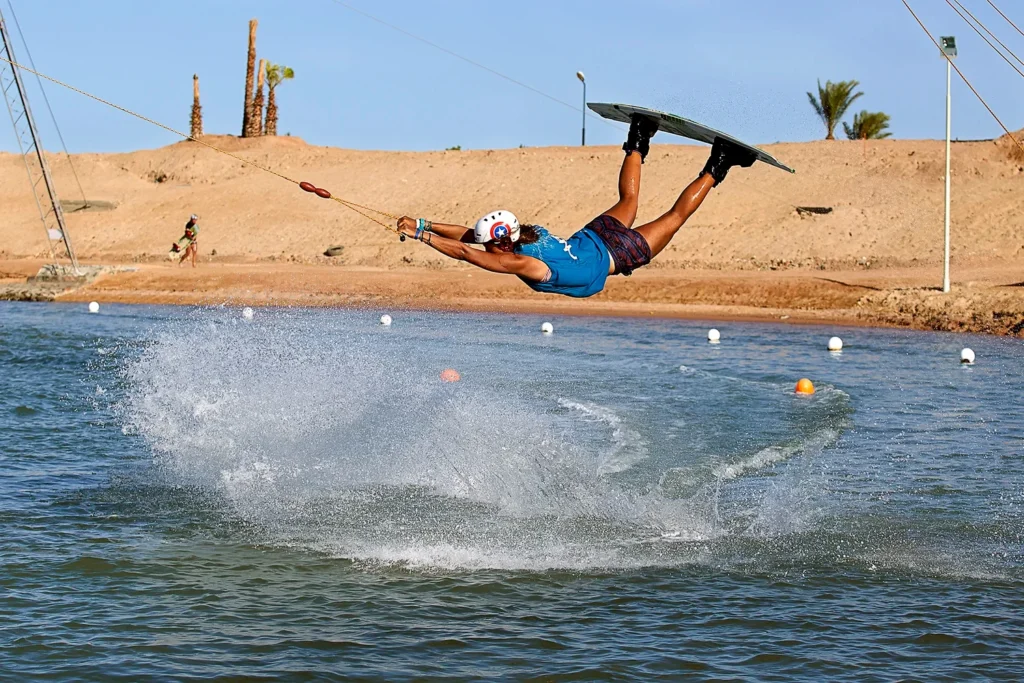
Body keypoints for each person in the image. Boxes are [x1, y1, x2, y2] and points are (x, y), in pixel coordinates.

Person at [395, 114, 756, 298]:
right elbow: (468, 236)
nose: (484, 245)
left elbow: (465, 251)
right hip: (595, 235)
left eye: (489, 243)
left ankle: (720, 161)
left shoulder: (524, 263)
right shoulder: (523, 237)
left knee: (674, 218)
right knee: (628, 199)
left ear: (500, 243)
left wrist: (420, 236)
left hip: (617, 254)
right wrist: (423, 223)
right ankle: (638, 135)